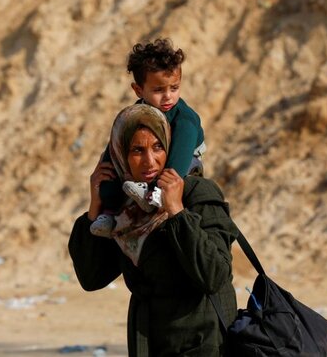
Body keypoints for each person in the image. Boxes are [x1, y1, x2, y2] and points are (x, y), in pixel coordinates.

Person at [69, 104, 238, 356]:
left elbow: (214, 275)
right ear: (121, 155)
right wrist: (95, 207)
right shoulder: (126, 209)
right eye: (137, 150)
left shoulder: (197, 193)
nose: (150, 161)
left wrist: (177, 212)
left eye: (158, 147)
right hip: (150, 339)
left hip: (203, 339)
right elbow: (91, 278)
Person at [91, 38, 206, 237]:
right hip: (148, 166)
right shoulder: (135, 115)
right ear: (138, 90)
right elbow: (116, 148)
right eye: (159, 90)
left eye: (174, 88)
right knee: (110, 165)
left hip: (185, 155)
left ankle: (155, 196)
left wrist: (158, 188)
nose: (168, 96)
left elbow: (177, 162)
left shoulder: (184, 119)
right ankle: (109, 213)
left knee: (176, 172)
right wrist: (104, 185)